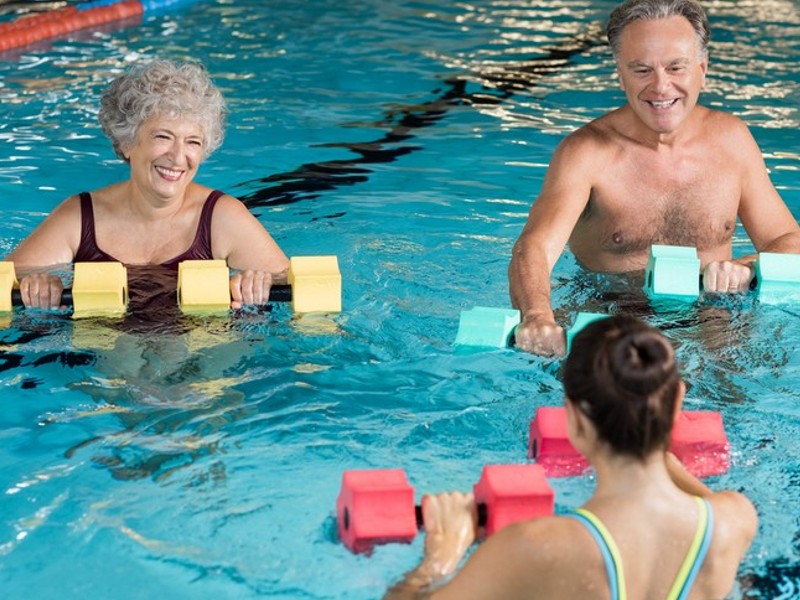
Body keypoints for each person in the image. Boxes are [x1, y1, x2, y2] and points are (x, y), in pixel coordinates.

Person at [385, 315, 757, 600]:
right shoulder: (734, 521)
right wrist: (661, 454)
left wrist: (443, 553)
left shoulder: (537, 546)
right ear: (677, 401)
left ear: (575, 420)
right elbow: (699, 499)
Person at [508, 0, 800, 356]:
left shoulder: (732, 141)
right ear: (621, 74)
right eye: (642, 70)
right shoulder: (586, 153)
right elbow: (534, 247)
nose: (661, 87)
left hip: (713, 319)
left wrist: (743, 267)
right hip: (610, 317)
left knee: (735, 399)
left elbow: (788, 239)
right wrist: (537, 316)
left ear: (702, 69)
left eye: (676, 67)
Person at [6, 59, 288, 311]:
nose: (178, 157)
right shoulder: (80, 218)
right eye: (163, 137)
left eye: (193, 142)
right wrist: (39, 285)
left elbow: (292, 283)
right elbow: (11, 277)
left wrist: (256, 281)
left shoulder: (222, 217)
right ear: (127, 142)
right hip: (99, 357)